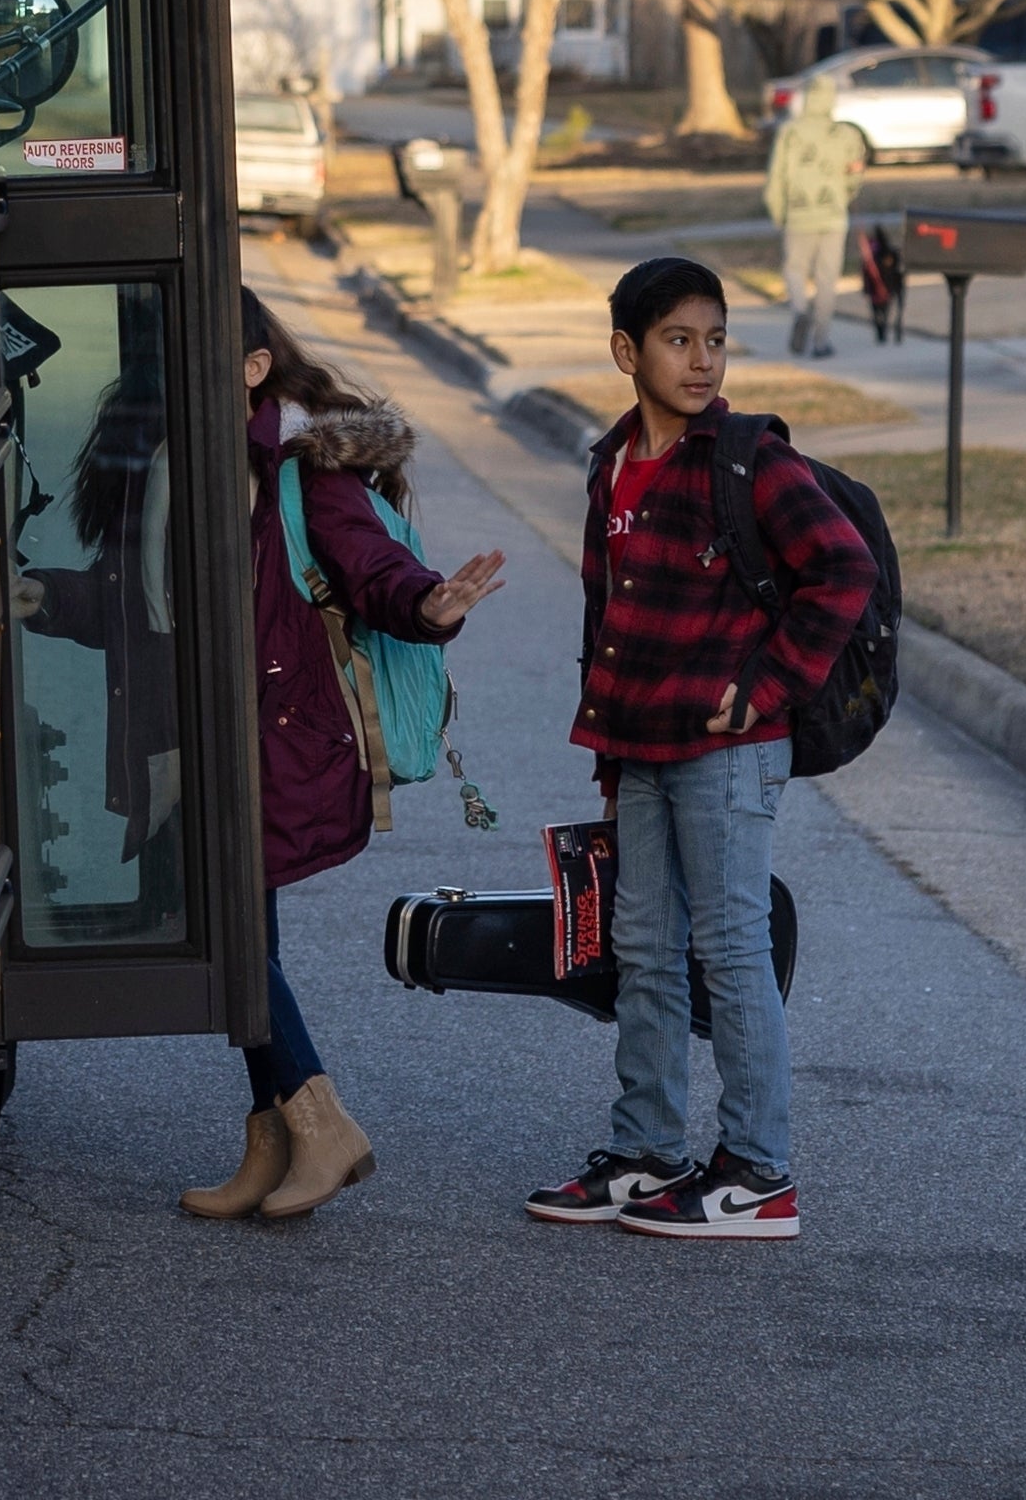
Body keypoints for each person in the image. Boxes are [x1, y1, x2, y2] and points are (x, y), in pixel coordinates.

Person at [528, 256, 871, 1243]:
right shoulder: (613, 465)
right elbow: (605, 619)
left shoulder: (751, 458)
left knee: (728, 946)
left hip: (729, 748)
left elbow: (840, 569)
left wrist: (765, 688)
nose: (703, 360)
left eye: (716, 339)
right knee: (643, 950)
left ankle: (760, 1172)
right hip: (639, 744)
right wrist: (607, 750)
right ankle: (647, 1153)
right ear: (626, 352)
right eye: (680, 340)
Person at [182, 294, 509, 1227]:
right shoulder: (189, 461)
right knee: (254, 935)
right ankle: (274, 1136)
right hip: (220, 733)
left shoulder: (302, 471)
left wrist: (428, 605)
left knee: (238, 935)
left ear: (254, 367)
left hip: (286, 736)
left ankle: (319, 1121)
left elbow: (370, 565)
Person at [764, 78, 867, 358]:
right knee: (827, 278)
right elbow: (854, 173)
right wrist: (846, 192)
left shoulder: (789, 132)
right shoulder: (845, 134)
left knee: (795, 270)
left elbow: (777, 177)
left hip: (799, 215)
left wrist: (777, 213)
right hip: (833, 216)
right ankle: (821, 341)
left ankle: (800, 310)